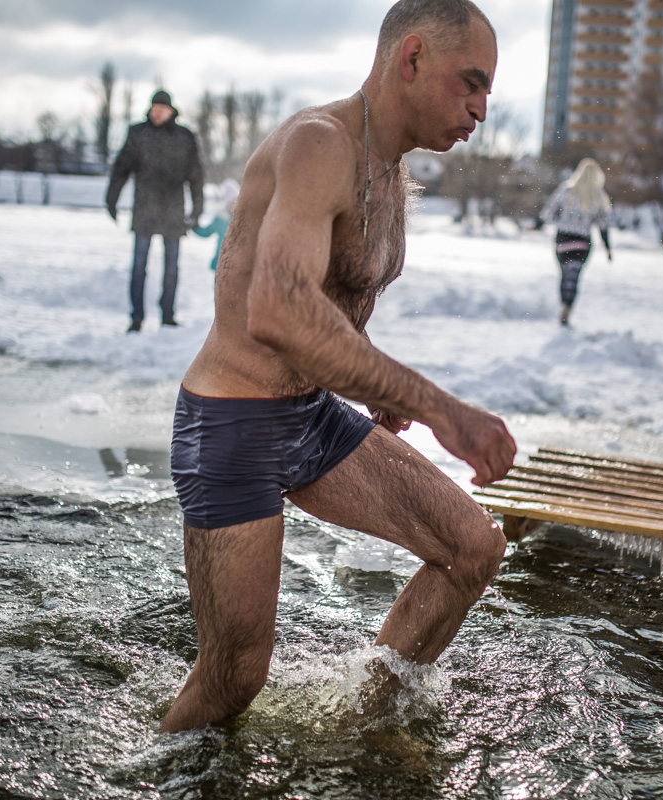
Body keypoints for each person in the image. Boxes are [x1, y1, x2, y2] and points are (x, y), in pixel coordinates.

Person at [163, 0, 515, 732]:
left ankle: (364, 725)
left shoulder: (389, 172)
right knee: (234, 681)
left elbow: (338, 296)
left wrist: (362, 386)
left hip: (310, 415)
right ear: (411, 58)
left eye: (488, 91)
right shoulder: (320, 143)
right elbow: (280, 311)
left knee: (472, 549)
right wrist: (445, 411)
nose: (481, 108)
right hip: (232, 423)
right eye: (471, 83)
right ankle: (159, 771)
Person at [105, 89, 204, 333]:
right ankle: (136, 317)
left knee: (172, 269)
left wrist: (197, 208)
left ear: (171, 111)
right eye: (154, 109)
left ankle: (167, 315)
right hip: (145, 210)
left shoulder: (184, 136)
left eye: (162, 109)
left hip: (173, 211)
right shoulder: (138, 133)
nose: (157, 113)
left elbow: (196, 175)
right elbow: (122, 168)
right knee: (139, 267)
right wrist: (112, 198)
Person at [539, 157, 613, 325]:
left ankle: (563, 303)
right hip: (582, 243)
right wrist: (608, 249)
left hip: (563, 241)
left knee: (565, 275)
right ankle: (568, 307)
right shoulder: (598, 196)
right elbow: (603, 226)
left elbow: (548, 213)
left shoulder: (566, 190)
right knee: (574, 276)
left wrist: (537, 225)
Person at [191, 178, 241, 271]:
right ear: (227, 202)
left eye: (236, 201)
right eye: (231, 201)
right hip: (221, 259)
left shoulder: (242, 220)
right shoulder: (221, 218)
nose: (234, 205)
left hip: (238, 261)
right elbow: (207, 232)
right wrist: (194, 226)